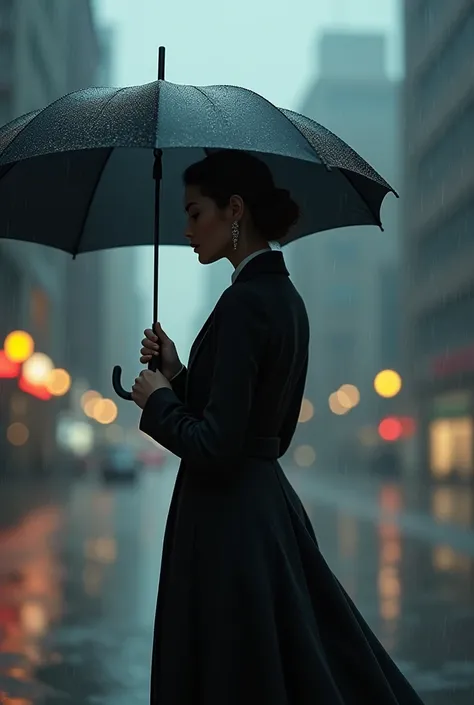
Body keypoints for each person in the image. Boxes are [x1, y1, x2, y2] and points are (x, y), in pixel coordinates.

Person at [131, 150, 424, 704]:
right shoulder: (282, 297)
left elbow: (217, 445)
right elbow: (250, 422)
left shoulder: (244, 303)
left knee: (236, 670)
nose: (187, 229)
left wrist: (159, 403)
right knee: (276, 664)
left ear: (234, 210)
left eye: (196, 213)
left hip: (228, 522)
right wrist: (178, 374)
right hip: (263, 511)